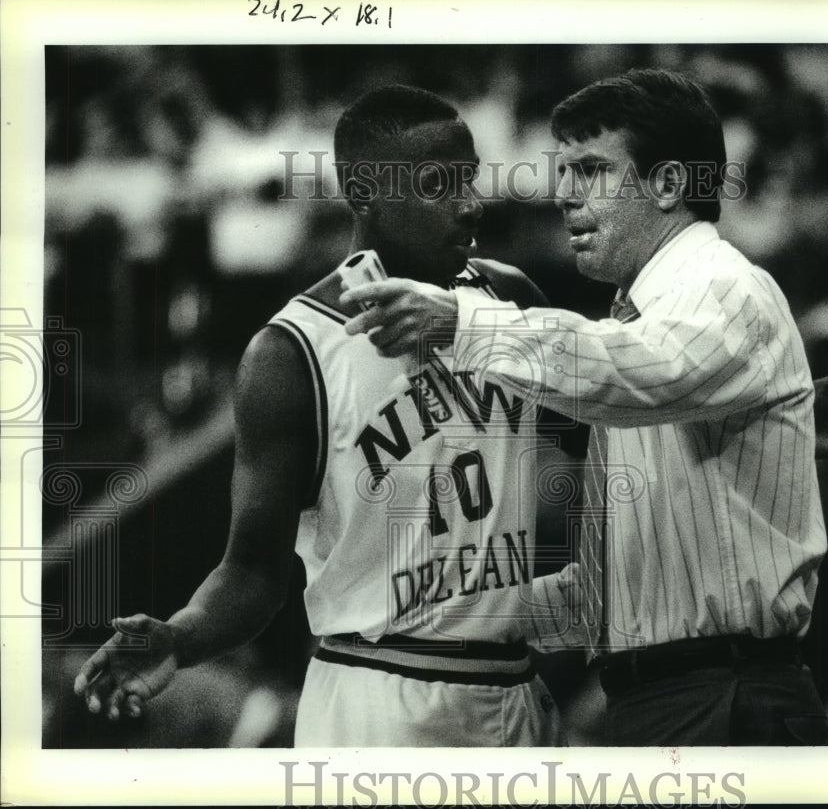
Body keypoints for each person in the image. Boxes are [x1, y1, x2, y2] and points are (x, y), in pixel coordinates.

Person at [340, 69, 828, 745]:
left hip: (725, 699)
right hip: (674, 697)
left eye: (590, 171)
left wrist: (459, 321)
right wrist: (441, 612)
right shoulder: (649, 320)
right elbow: (622, 594)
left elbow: (635, 367)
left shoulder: (722, 287)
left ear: (669, 185)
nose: (565, 196)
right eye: (564, 172)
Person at [74, 84, 573, 747]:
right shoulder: (290, 354)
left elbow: (592, 452)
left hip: (516, 683)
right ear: (363, 192)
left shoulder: (510, 295)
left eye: (469, 180)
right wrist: (182, 637)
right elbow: (254, 572)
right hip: (379, 693)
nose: (470, 204)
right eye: (437, 184)